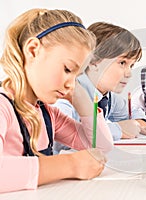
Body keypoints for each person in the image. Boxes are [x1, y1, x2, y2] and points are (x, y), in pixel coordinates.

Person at [0, 8, 114, 193]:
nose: (71, 84)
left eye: (77, 76)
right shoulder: (3, 107)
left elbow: (101, 148)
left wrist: (82, 101)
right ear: (33, 50)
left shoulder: (47, 115)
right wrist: (70, 164)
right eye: (68, 69)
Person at [52, 22, 146, 154]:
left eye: (131, 66)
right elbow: (60, 139)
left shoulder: (107, 97)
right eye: (122, 63)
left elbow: (134, 112)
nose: (129, 73)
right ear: (93, 62)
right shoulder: (67, 94)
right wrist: (118, 129)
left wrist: (140, 123)